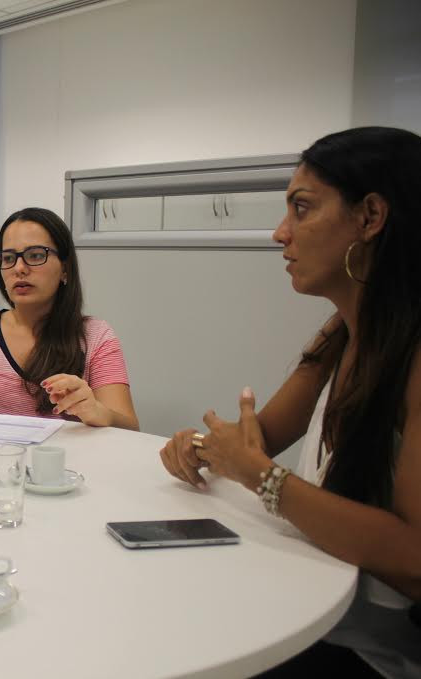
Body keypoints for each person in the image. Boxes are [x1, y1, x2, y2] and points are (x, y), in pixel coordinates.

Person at [159, 127, 421, 678]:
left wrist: (262, 478)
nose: (281, 233)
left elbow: (414, 559)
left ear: (370, 217)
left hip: (375, 652)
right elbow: (259, 440)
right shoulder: (341, 335)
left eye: (302, 209)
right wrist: (202, 447)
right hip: (325, 607)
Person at [0, 207, 138, 429]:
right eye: (9, 258)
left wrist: (97, 411)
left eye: (36, 256)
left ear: (65, 269)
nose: (19, 268)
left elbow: (129, 429)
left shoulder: (96, 336)